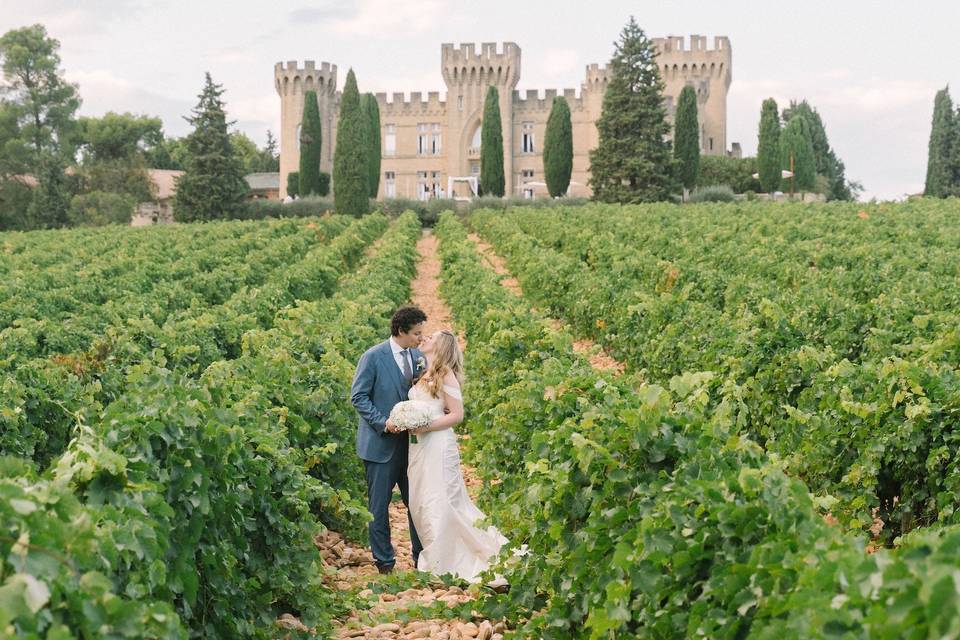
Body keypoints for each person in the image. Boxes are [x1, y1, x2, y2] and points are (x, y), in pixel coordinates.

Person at [406, 330, 508, 583]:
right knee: (422, 499)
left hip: (438, 444)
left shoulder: (444, 373)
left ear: (442, 346)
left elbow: (457, 415)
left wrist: (425, 426)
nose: (425, 337)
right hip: (419, 445)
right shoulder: (424, 373)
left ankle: (448, 562)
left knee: (443, 500)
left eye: (432, 336)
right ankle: (437, 554)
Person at [350, 306, 428, 574]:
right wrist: (384, 423)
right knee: (378, 506)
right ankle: (384, 562)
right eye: (416, 333)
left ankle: (421, 559)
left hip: (412, 446)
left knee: (416, 502)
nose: (420, 339)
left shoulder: (419, 357)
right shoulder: (372, 357)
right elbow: (358, 397)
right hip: (379, 445)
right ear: (401, 331)